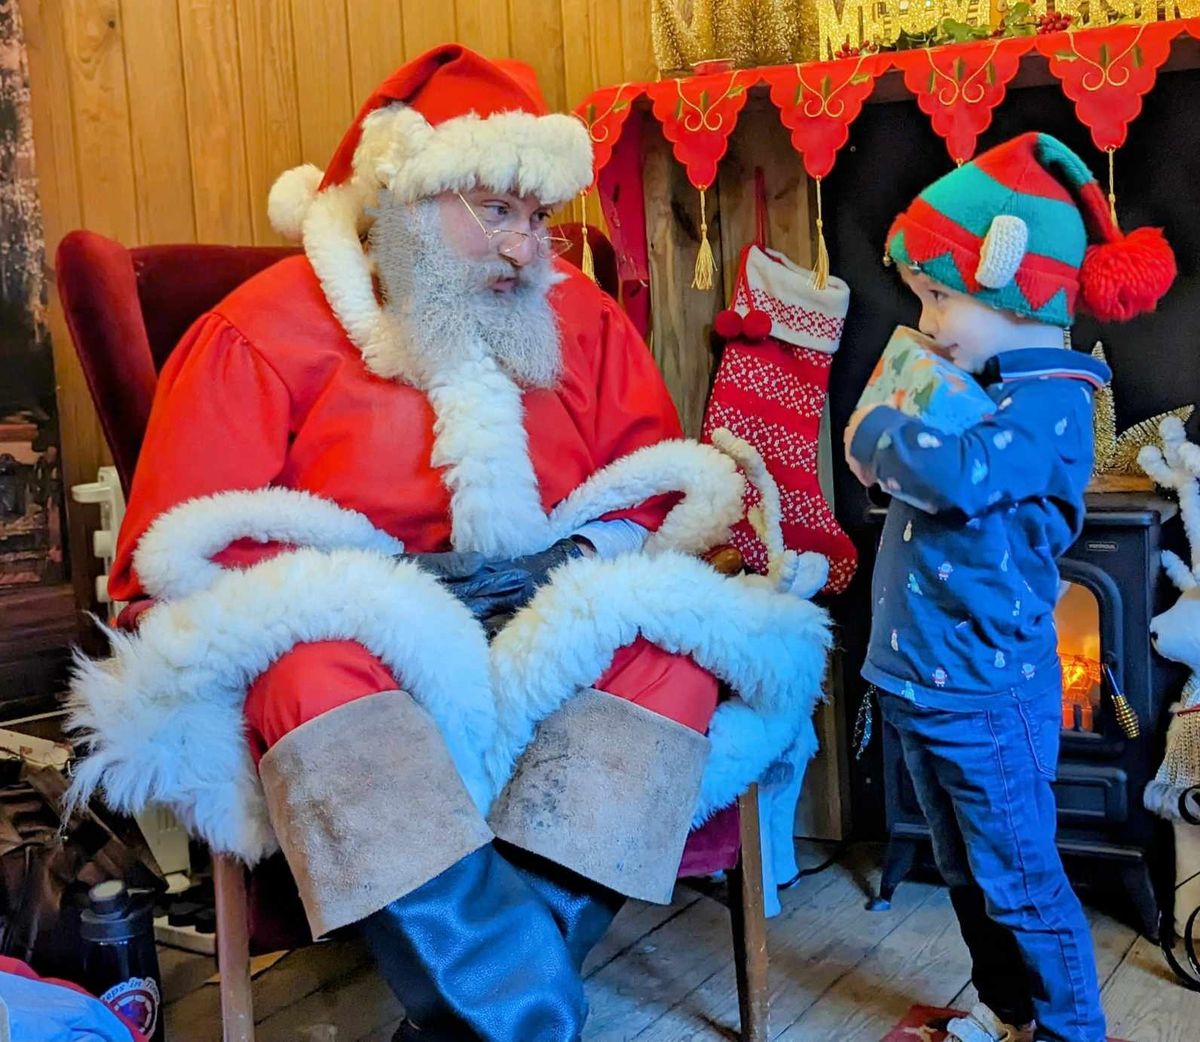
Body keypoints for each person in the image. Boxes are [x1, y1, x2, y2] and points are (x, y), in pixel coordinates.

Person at [66, 45, 830, 1042]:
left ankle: (477, 1019)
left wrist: (588, 559)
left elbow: (650, 504)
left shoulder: (585, 323)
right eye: (492, 210)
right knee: (304, 664)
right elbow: (174, 564)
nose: (523, 249)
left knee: (673, 654)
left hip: (553, 603)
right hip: (366, 627)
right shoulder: (258, 331)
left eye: (536, 217)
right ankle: (525, 1016)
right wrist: (371, 585)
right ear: (403, 197)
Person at [844, 132, 1175, 1042]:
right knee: (961, 868)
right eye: (921, 295)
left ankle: (1073, 1032)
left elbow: (962, 478)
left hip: (984, 693)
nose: (928, 319)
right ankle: (1011, 1014)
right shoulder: (981, 381)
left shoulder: (1054, 402)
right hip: (918, 679)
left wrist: (874, 437)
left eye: (941, 294)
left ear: (1014, 286)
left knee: (1021, 882)